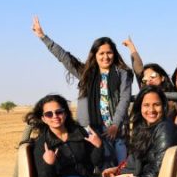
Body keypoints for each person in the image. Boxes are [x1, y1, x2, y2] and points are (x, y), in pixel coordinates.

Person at [32, 16, 133, 166]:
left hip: (116, 131)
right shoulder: (86, 74)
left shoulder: (123, 73)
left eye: (109, 53)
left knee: (121, 167)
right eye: (101, 53)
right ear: (95, 55)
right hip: (93, 130)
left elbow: (124, 99)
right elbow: (64, 57)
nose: (105, 57)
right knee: (101, 167)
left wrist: (115, 125)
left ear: (114, 54)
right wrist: (43, 37)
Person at [96, 85, 177, 177]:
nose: (151, 110)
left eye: (156, 104)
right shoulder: (147, 128)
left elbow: (158, 171)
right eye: (146, 105)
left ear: (163, 106)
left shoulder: (165, 129)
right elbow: (138, 161)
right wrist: (118, 170)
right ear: (140, 107)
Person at [25, 94, 103, 177]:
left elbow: (93, 162)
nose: (55, 116)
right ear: (44, 119)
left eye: (59, 112)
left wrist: (98, 147)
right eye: (49, 114)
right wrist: (48, 164)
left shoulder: (78, 133)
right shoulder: (42, 144)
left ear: (65, 113)